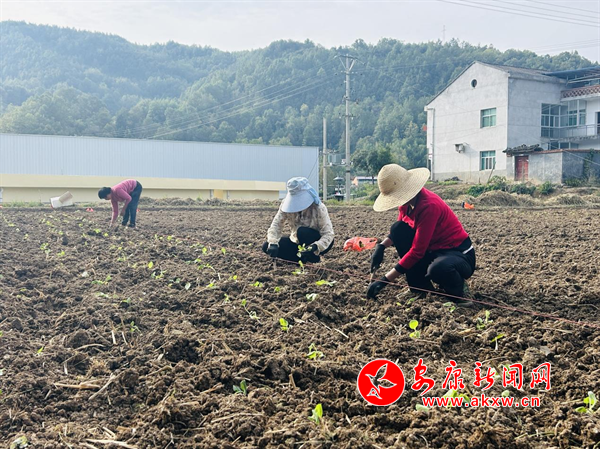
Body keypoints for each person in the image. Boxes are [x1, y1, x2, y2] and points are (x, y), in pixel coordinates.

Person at [367, 164, 475, 305]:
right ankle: (420, 288)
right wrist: (381, 247)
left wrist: (384, 281)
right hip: (433, 250)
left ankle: (460, 291)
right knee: (397, 228)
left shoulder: (429, 206)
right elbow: (399, 229)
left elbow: (417, 251)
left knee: (439, 268)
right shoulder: (406, 204)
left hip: (458, 254)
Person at [263, 177, 334, 263]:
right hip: (296, 241)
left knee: (302, 232)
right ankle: (301, 258)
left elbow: (328, 234)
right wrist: (273, 242)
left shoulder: (318, 208)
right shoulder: (285, 205)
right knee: (266, 246)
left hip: (317, 241)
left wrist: (315, 246)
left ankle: (313, 257)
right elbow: (276, 225)